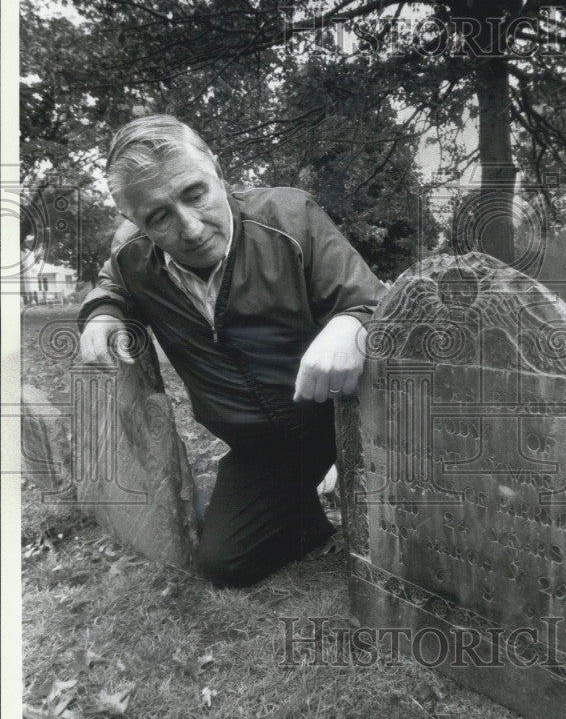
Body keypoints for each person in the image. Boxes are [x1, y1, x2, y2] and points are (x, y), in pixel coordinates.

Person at [78, 114, 385, 587]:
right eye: (158, 217)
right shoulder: (133, 258)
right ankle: (302, 518)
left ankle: (337, 477)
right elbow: (112, 283)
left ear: (217, 171)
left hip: (341, 418)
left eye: (194, 193)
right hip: (260, 446)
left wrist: (351, 324)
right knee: (224, 565)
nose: (191, 227)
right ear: (134, 221)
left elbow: (371, 300)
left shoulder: (291, 216)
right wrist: (102, 313)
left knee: (395, 536)